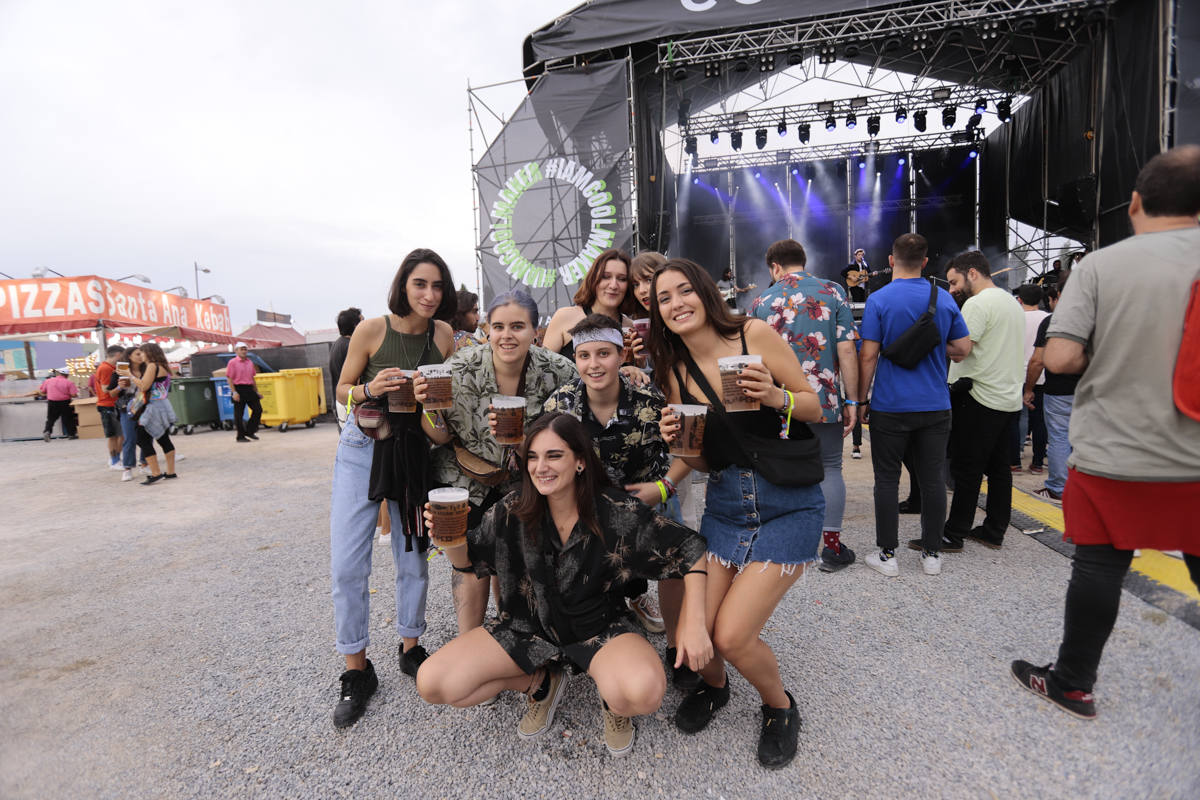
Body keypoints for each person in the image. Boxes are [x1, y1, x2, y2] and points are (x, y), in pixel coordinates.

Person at [1012, 145, 1200, 719]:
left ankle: (1072, 683)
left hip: (1117, 449)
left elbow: (1063, 356)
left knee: (1100, 565)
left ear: (1136, 203)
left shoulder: (1101, 266)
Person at [416, 412, 712, 756]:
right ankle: (541, 682)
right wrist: (448, 541)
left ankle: (612, 699)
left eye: (554, 455)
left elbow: (691, 549)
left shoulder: (615, 512)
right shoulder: (511, 510)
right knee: (434, 684)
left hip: (598, 628)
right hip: (527, 626)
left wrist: (694, 623)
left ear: (581, 462)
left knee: (642, 693)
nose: (541, 466)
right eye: (533, 456)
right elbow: (469, 562)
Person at [652, 258, 823, 769]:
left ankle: (779, 706)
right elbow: (701, 461)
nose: (677, 303)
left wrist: (774, 395)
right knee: (692, 631)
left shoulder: (754, 334)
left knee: (729, 634)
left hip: (788, 503)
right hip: (727, 505)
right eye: (664, 298)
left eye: (685, 291)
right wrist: (678, 446)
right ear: (658, 313)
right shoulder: (675, 370)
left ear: (706, 293)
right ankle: (717, 687)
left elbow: (815, 405)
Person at [328, 248, 457, 729]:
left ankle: (410, 644)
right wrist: (369, 387)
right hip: (363, 447)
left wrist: (436, 406)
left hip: (414, 450)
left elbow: (456, 395)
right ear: (403, 284)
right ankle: (357, 671)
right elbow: (341, 389)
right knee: (347, 563)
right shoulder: (372, 330)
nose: (428, 294)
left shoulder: (444, 335)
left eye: (437, 286)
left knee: (412, 553)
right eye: (420, 284)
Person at [416, 289, 577, 639]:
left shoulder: (559, 372)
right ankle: (469, 642)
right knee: (468, 557)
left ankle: (516, 637)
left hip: (524, 477)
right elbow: (440, 437)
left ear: (535, 331)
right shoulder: (458, 368)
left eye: (518, 326)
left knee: (519, 554)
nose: (507, 335)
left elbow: (576, 429)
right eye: (499, 326)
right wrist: (428, 408)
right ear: (487, 329)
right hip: (464, 475)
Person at [543, 313, 695, 682]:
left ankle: (676, 647)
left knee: (678, 555)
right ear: (574, 359)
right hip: (586, 509)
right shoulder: (559, 406)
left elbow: (689, 452)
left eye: (603, 353)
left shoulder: (651, 399)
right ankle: (579, 641)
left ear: (621, 353)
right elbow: (543, 465)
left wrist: (662, 488)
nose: (593, 365)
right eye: (584, 356)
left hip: (645, 501)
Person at [857, 234, 972, 577]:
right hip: (935, 406)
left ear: (891, 261)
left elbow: (868, 356)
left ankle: (887, 555)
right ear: (925, 263)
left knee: (887, 480)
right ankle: (932, 554)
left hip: (890, 406)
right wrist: (935, 350)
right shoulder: (944, 299)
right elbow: (963, 348)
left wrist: (861, 399)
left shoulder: (878, 300)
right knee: (934, 478)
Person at [751, 238, 860, 572]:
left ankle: (783, 544)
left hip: (778, 402)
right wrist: (852, 399)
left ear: (774, 267)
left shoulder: (762, 300)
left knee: (778, 468)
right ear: (803, 260)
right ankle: (831, 549)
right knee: (830, 468)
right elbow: (846, 350)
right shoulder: (834, 292)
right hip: (824, 397)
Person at [934, 250, 1025, 552]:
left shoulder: (978, 304)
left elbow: (961, 349)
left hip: (977, 395)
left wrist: (927, 343)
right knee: (999, 469)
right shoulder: (1011, 303)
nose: (952, 290)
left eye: (954, 281)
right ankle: (994, 528)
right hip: (1006, 397)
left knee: (966, 468)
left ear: (972, 273)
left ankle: (953, 533)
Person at [1026, 276, 1076, 502]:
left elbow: (1037, 360)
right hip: (1091, 390)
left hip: (1058, 390)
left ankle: (1058, 487)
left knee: (1058, 437)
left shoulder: (1053, 321)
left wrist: (1029, 389)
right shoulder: (1099, 318)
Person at [542, 248, 634, 361]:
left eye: (622, 279)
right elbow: (543, 370)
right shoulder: (565, 317)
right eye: (606, 276)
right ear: (593, 279)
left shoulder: (629, 327)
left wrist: (634, 367)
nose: (614, 285)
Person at [1009, 284, 1049, 473]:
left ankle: (1014, 460)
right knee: (1040, 420)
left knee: (1016, 417)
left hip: (1017, 373)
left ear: (1020, 300)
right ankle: (1038, 463)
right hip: (1041, 374)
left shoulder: (1015, 318)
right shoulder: (1048, 318)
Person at [132, 343, 177, 485]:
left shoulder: (152, 366)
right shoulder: (163, 366)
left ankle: (156, 472)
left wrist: (130, 376)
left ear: (149, 353)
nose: (141, 356)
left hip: (153, 407)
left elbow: (144, 386)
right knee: (163, 438)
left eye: (142, 353)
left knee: (142, 438)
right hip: (163, 405)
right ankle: (170, 471)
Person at [106, 346, 143, 482]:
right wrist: (120, 387)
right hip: (126, 406)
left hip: (145, 404)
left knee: (146, 435)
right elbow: (111, 393)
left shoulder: (146, 369)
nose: (141, 356)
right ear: (129, 356)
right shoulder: (120, 371)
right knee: (129, 437)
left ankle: (144, 463)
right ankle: (128, 467)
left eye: (142, 353)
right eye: (138, 354)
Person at [330, 307, 364, 430]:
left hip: (341, 402)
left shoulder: (338, 343)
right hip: (349, 403)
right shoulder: (351, 346)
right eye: (363, 321)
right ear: (356, 325)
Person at [94, 345, 125, 468]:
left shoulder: (110, 367)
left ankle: (116, 458)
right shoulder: (106, 368)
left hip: (111, 404)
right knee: (113, 435)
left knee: (119, 434)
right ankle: (114, 460)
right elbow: (105, 389)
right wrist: (120, 386)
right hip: (107, 405)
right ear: (118, 354)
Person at [227, 343, 262, 443]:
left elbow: (252, 378)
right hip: (238, 388)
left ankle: (250, 431)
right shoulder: (232, 363)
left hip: (249, 388)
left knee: (258, 410)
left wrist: (256, 391)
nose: (244, 351)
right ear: (236, 351)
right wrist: (234, 392)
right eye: (242, 349)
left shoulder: (250, 363)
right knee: (239, 414)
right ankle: (240, 436)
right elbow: (229, 378)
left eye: (245, 349)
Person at [39, 368, 79, 440]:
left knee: (51, 418)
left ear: (59, 373)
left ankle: (47, 431)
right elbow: (74, 395)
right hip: (65, 402)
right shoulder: (69, 382)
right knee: (68, 418)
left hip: (52, 402)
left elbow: (42, 392)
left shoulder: (48, 381)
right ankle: (71, 434)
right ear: (67, 375)